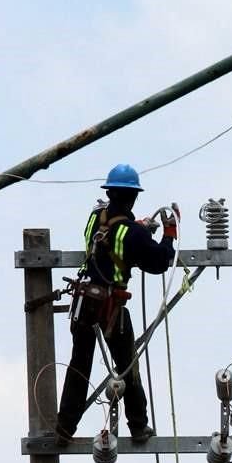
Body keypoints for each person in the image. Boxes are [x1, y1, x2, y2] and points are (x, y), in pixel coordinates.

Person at [55, 163, 178, 445]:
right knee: (127, 364)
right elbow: (159, 261)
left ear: (109, 193)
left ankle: (64, 427)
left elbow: (114, 237)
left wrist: (140, 228)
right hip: (111, 307)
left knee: (79, 365)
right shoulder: (132, 235)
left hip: (84, 301)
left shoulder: (94, 218)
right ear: (133, 197)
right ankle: (138, 425)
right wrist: (168, 234)